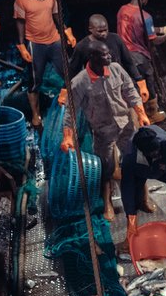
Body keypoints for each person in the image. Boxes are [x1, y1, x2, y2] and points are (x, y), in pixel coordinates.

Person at [60, 40, 149, 220]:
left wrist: (141, 114)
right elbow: (71, 112)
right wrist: (67, 137)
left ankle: (143, 198)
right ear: (92, 57)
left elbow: (131, 92)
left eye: (109, 53)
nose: (109, 56)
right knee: (106, 168)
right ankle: (107, 202)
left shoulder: (116, 69)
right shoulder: (79, 82)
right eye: (104, 55)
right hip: (102, 130)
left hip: (125, 124)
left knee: (137, 161)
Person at [14, 0, 76, 127]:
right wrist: (22, 45)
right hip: (35, 43)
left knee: (68, 72)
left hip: (54, 39)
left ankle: (74, 104)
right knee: (35, 80)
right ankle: (36, 114)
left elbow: (56, 15)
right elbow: (20, 22)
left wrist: (66, 31)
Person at [117, 0, 166, 122]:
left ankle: (136, 116)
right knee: (148, 84)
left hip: (123, 55)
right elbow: (153, 40)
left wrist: (161, 29)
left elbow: (140, 26)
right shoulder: (145, 16)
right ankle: (151, 114)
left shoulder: (122, 10)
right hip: (139, 57)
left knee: (131, 86)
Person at [66, 14, 146, 101]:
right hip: (98, 89)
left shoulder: (115, 39)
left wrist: (140, 82)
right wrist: (65, 89)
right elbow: (73, 69)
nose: (103, 34)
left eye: (105, 30)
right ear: (90, 29)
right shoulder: (82, 47)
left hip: (119, 85)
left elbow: (128, 62)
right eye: (100, 31)